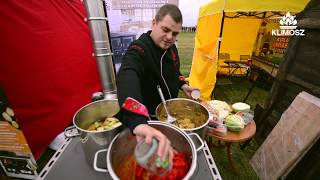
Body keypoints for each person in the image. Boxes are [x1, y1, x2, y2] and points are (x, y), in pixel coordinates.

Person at [116, 4, 198, 163]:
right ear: (154, 23)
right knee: (153, 159)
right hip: (150, 118)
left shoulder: (172, 48)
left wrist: (183, 85)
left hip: (170, 113)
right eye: (165, 30)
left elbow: (175, 71)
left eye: (175, 33)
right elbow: (127, 74)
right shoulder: (139, 48)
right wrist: (137, 121)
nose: (169, 37)